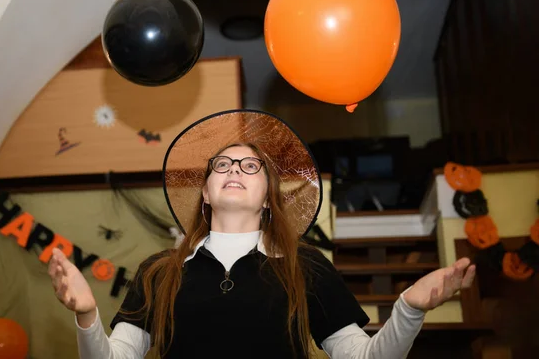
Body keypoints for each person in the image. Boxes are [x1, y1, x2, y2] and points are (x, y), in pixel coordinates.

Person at [48, 110, 475, 359]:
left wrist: (409, 307)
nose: (234, 170)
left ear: (269, 197)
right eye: (222, 165)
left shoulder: (305, 265)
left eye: (250, 166)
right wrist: (87, 316)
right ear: (205, 192)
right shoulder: (158, 272)